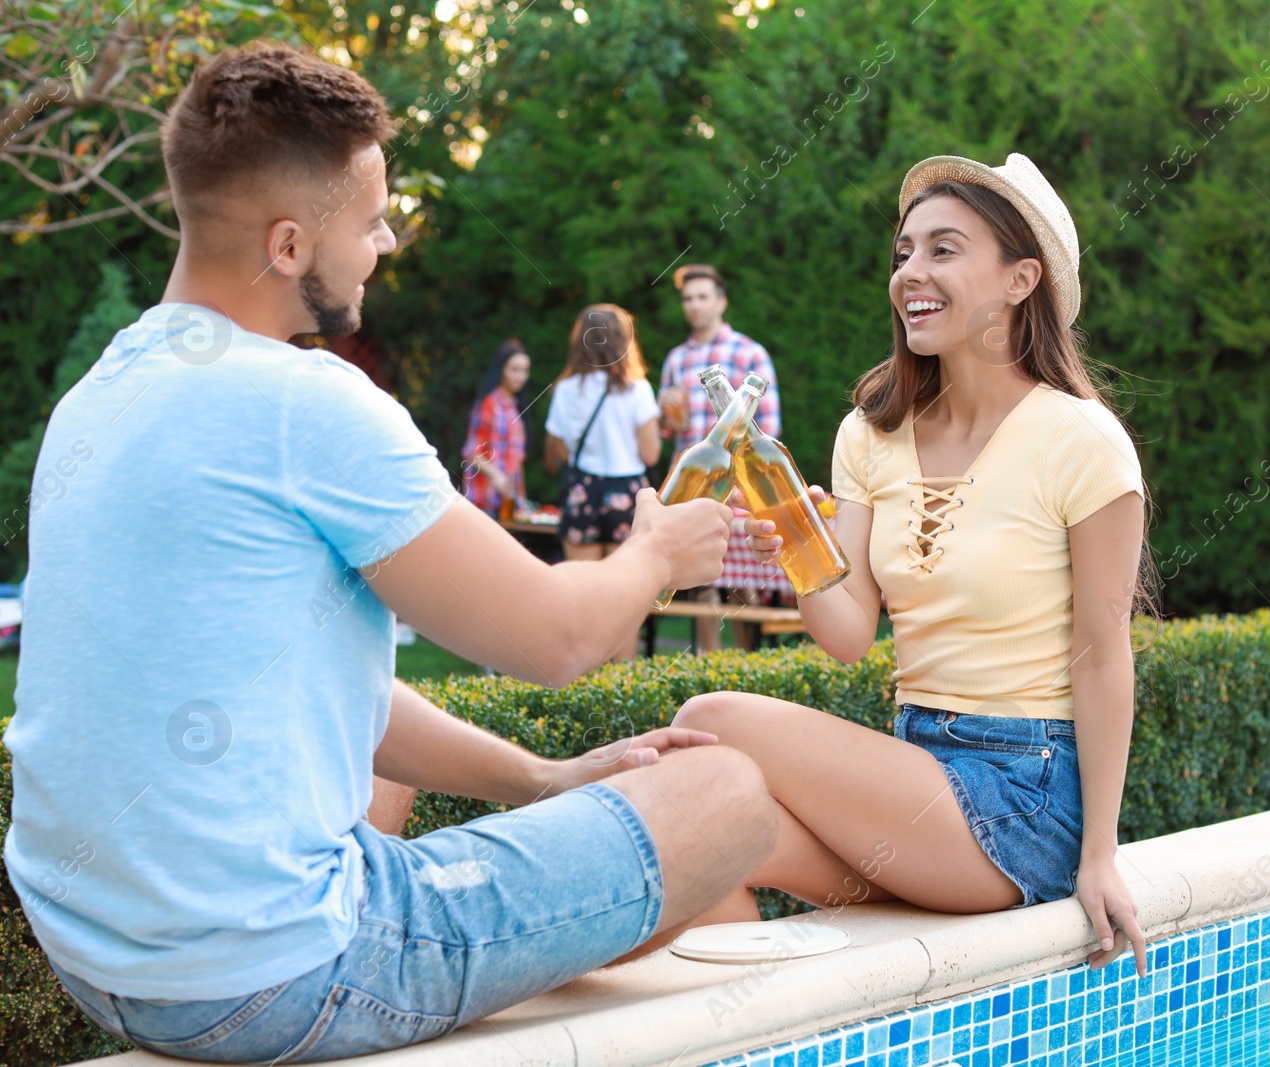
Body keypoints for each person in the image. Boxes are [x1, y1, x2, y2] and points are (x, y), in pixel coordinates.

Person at [1, 42, 776, 1064]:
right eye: (370, 223)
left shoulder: (100, 395)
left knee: (615, 844)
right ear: (288, 244)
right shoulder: (303, 401)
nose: (383, 245)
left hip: (102, 961)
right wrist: (656, 550)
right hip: (275, 976)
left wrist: (548, 778)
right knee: (726, 798)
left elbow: (334, 689)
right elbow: (557, 635)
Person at [676, 153, 1154, 976]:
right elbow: (848, 633)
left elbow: (1104, 654)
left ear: (1019, 280)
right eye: (903, 253)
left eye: (944, 249)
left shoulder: (1081, 439)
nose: (911, 273)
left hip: (1024, 795)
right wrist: (796, 532)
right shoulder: (871, 434)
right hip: (917, 778)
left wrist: (1100, 854)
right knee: (709, 834)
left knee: (709, 717)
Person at [657, 264, 784, 651]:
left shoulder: (749, 353)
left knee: (743, 583)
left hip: (739, 482)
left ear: (721, 302)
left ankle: (747, 662)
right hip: (694, 481)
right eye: (687, 299)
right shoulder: (676, 359)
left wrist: (746, 480)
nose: (694, 305)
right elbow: (667, 433)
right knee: (699, 581)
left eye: (702, 297)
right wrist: (666, 410)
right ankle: (706, 663)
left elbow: (769, 429)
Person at [543, 304, 662, 658]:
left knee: (583, 590)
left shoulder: (566, 390)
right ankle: (621, 680)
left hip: (584, 489)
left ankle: (584, 673)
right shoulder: (637, 390)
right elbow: (652, 454)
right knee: (625, 594)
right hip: (627, 492)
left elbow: (557, 449)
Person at [461, 338, 530, 519]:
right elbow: (472, 453)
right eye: (514, 369)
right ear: (501, 370)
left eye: (524, 370)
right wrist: (496, 476)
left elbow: (517, 462)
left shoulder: (515, 408)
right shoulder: (489, 404)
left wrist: (522, 500)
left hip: (507, 505)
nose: (520, 376)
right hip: (483, 502)